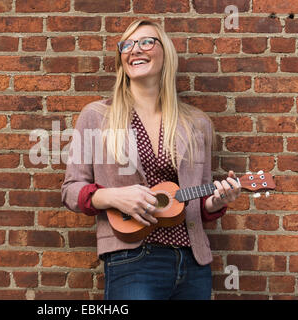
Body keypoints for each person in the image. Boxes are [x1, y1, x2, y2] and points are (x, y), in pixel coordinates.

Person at [61, 19, 241, 300]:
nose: (135, 50)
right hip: (132, 260)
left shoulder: (197, 123)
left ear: (165, 53)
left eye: (146, 41)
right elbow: (71, 190)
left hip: (193, 261)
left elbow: (199, 200)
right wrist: (113, 197)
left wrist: (216, 202)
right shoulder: (96, 116)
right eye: (127, 45)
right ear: (121, 59)